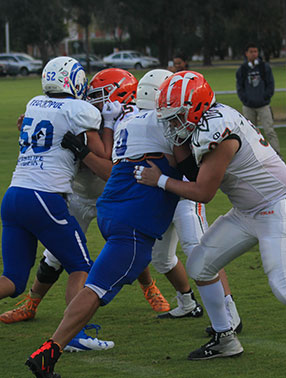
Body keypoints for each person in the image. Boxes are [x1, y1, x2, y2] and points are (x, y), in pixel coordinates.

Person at [135, 71, 286, 367]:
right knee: (200, 265)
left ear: (196, 108)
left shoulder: (219, 132)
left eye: (177, 117)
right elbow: (190, 169)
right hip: (246, 211)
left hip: (277, 206)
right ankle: (225, 337)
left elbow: (202, 191)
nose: (173, 124)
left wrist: (159, 180)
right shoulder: (206, 121)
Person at [0, 57, 112, 358]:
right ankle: (75, 334)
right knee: (80, 266)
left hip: (14, 195)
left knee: (13, 279)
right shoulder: (81, 110)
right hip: (44, 197)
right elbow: (104, 157)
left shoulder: (34, 103)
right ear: (75, 81)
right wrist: (107, 120)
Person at [25, 69, 184, 378]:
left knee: (96, 283)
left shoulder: (125, 121)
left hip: (111, 211)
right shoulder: (163, 125)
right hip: (132, 220)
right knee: (95, 290)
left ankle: (49, 350)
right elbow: (192, 172)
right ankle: (49, 352)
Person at [0, 69, 171, 338]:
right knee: (55, 254)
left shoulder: (129, 122)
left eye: (100, 95)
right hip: (77, 193)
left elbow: (109, 167)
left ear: (120, 94)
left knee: (126, 243)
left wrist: (83, 150)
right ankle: (31, 302)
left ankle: (149, 287)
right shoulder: (79, 112)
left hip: (110, 195)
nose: (93, 100)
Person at [136, 70, 241, 331]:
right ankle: (187, 303)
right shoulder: (142, 119)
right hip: (160, 194)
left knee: (199, 248)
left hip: (184, 193)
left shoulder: (198, 124)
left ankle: (230, 314)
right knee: (161, 258)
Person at [236, 43, 280, 155]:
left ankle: (277, 154)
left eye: (255, 51)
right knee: (249, 133)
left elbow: (270, 84)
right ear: (246, 53)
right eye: (251, 51)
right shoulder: (242, 69)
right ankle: (251, 156)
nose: (254, 54)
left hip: (263, 105)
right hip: (248, 106)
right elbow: (240, 87)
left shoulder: (264, 67)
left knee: (269, 131)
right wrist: (245, 100)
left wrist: (265, 97)